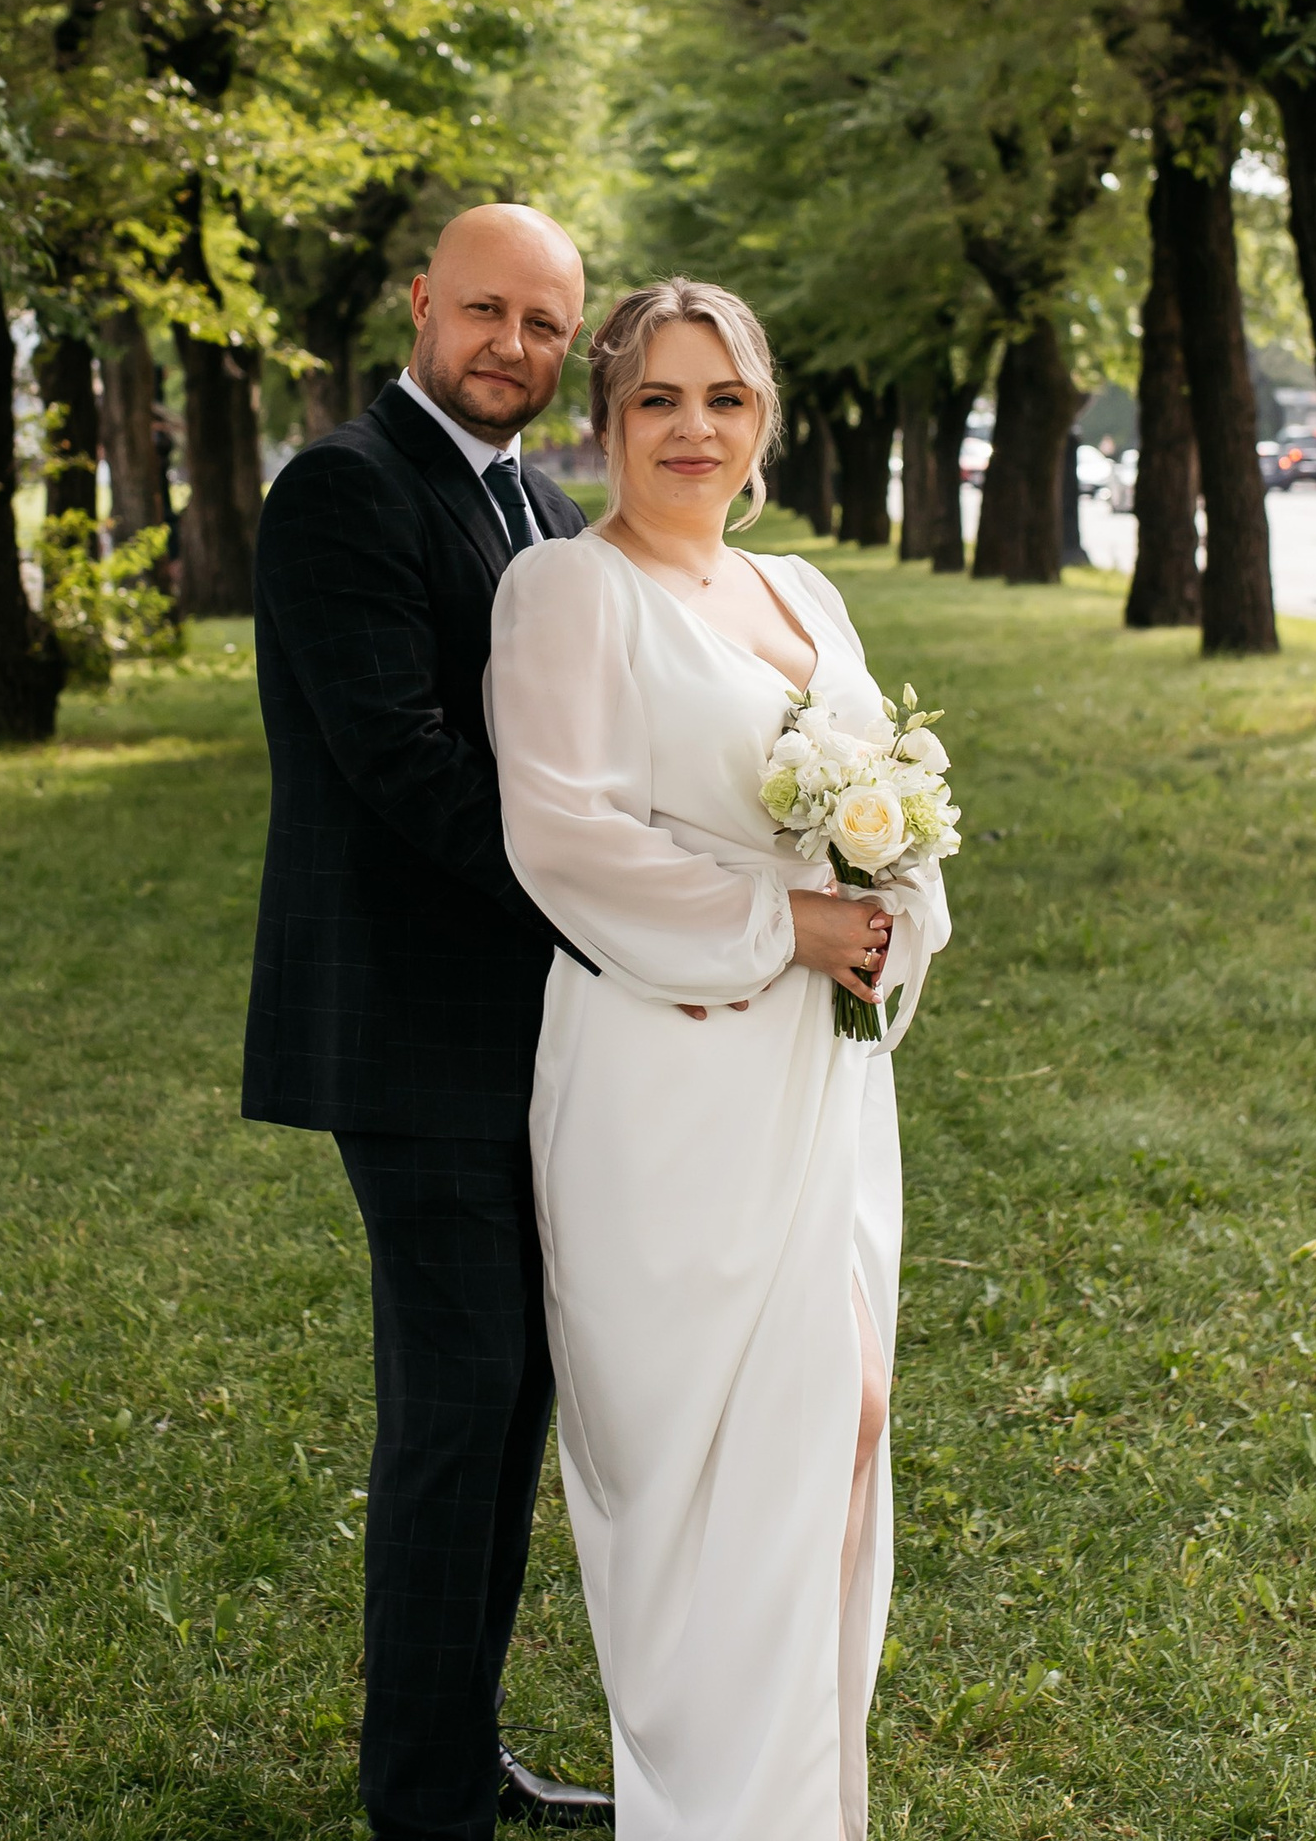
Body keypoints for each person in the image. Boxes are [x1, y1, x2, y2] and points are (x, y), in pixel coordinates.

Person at [484, 279, 948, 1841]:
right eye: (660, 401)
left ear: (765, 421)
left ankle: (800, 1807)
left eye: (725, 401)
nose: (694, 432)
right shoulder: (564, 593)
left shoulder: (809, 592)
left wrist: (892, 915)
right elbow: (561, 836)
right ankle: (703, 1809)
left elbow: (886, 796)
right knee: (696, 1470)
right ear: (604, 419)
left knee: (849, 1423)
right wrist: (782, 923)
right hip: (660, 1075)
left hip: (821, 1081)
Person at [244, 203, 614, 1839]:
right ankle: (423, 1801)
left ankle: (459, 1757)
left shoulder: (529, 498)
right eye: (486, 313)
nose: (511, 349)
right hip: (407, 1032)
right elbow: (404, 766)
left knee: (507, 1400)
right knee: (460, 1411)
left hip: (521, 1033)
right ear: (420, 306)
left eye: (543, 325)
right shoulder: (345, 490)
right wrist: (613, 898)